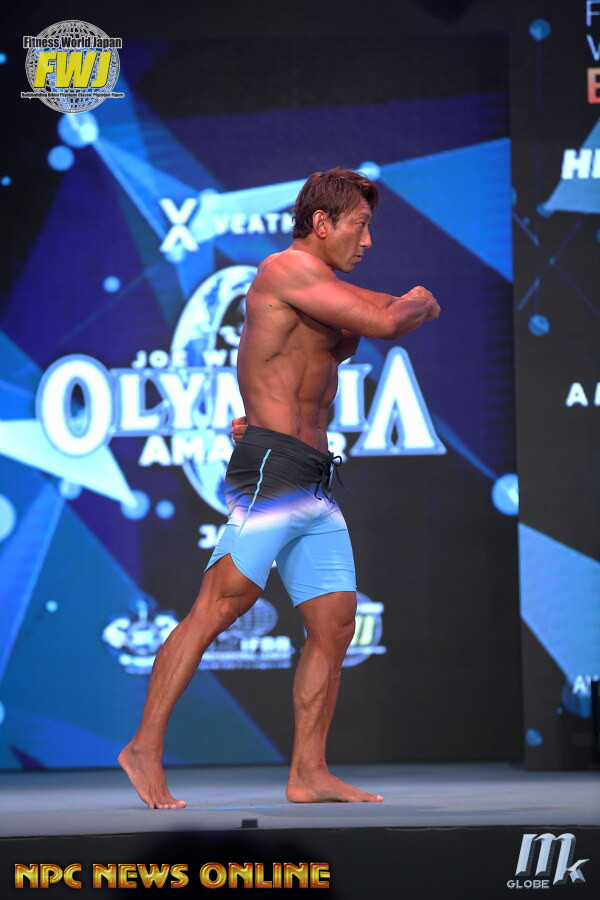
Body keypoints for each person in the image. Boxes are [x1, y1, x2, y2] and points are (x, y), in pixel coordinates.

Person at [119, 167, 440, 808]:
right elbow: (386, 320)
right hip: (273, 471)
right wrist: (421, 301)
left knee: (335, 623)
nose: (367, 241)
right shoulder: (285, 270)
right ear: (321, 223)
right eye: (360, 226)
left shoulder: (318, 291)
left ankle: (308, 773)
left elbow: (338, 342)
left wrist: (390, 310)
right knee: (221, 604)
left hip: (312, 478)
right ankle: (143, 748)